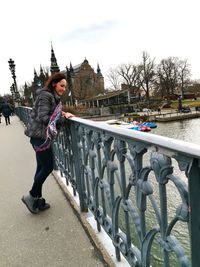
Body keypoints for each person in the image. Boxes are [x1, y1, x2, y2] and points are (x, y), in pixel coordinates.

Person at [22, 72, 74, 214]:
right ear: (54, 84)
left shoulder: (52, 97)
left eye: (65, 86)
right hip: (40, 138)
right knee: (48, 167)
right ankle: (32, 195)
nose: (64, 89)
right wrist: (62, 119)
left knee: (41, 167)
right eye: (62, 85)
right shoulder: (46, 96)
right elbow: (44, 117)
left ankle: (37, 200)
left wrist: (61, 113)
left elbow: (50, 113)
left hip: (40, 137)